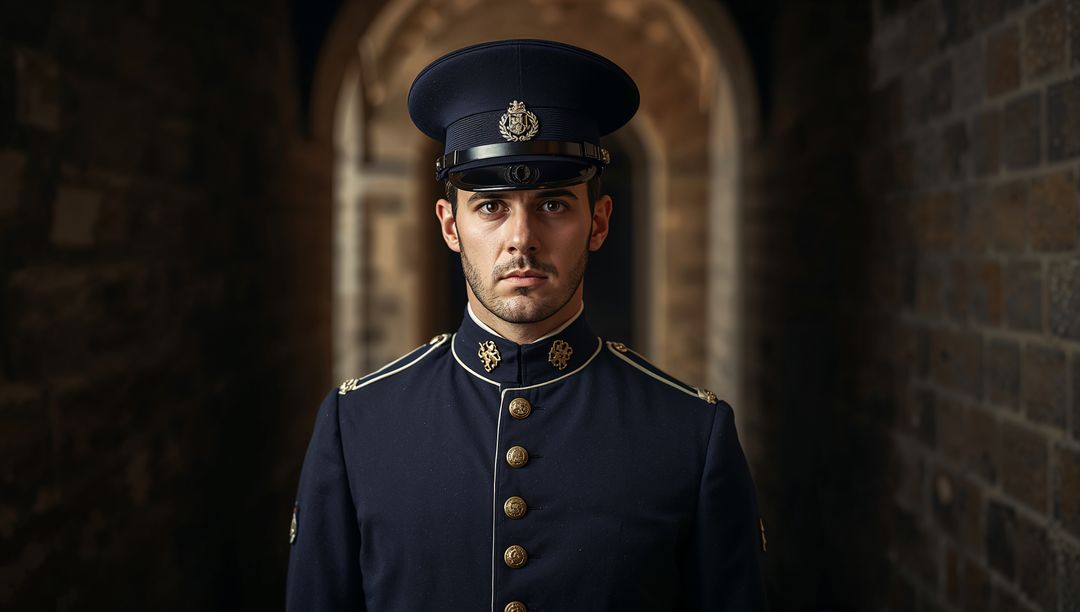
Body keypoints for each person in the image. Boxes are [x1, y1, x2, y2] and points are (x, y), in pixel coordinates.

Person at [285, 39, 766, 612]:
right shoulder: (357, 424)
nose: (521, 238)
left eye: (554, 204)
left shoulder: (692, 433)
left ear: (599, 221)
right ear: (449, 225)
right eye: (490, 205)